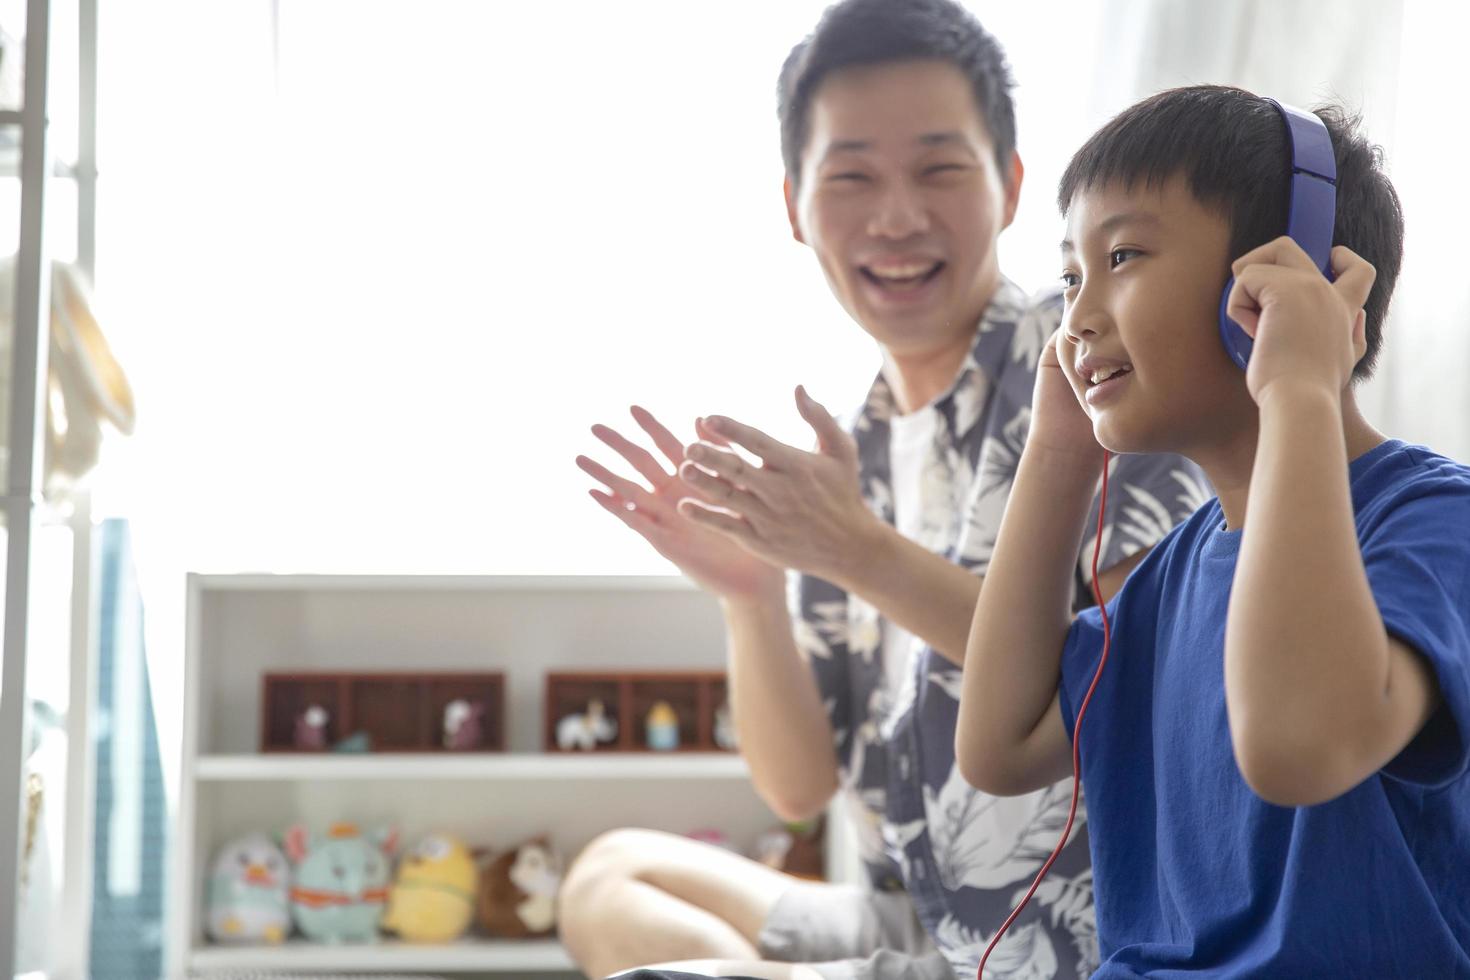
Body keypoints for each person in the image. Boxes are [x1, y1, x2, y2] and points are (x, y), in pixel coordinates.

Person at [563, 3, 1206, 978]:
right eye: (851, 175)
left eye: (940, 169)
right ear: (793, 205)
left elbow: (1135, 691)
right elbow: (798, 783)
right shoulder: (849, 446)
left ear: (1011, 186)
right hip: (910, 923)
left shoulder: (1095, 364)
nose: (897, 216)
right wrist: (752, 597)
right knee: (606, 877)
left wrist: (855, 549)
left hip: (1057, 937)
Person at [957, 84, 1470, 975]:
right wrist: (1056, 456)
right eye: (1070, 276)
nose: (1075, 318)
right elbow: (998, 747)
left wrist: (1301, 388)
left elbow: (1296, 745)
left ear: (1292, 273)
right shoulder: (1172, 574)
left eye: (1122, 255)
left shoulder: (1437, 523)